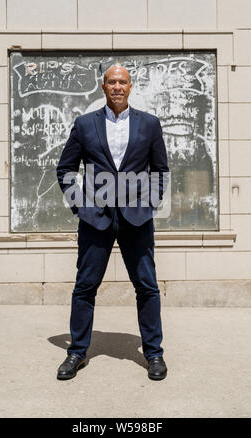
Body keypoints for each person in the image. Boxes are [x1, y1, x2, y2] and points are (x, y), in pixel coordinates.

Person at [56, 64, 169, 380]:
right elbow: (66, 169)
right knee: (85, 287)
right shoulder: (84, 125)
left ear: (130, 87)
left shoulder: (149, 124)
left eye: (122, 82)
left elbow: (160, 170)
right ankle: (77, 352)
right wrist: (80, 206)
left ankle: (154, 355)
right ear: (102, 86)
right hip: (96, 219)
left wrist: (149, 202)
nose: (117, 86)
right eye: (111, 82)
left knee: (146, 287)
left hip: (137, 218)